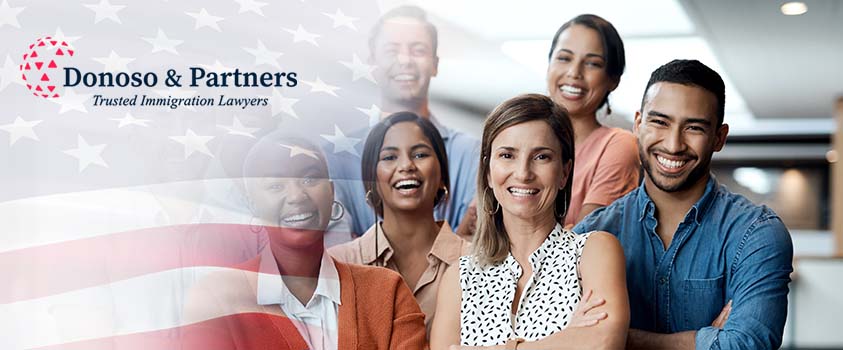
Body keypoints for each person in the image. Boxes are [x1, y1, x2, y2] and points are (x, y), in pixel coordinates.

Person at [574, 59, 794, 349]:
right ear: (639, 124)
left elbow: (748, 344)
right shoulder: (591, 233)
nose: (674, 144)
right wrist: (705, 340)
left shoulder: (756, 233)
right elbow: (561, 336)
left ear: (719, 137)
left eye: (694, 128)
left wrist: (615, 337)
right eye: (660, 122)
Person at [183, 133, 427, 350]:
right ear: (252, 204)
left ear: (331, 192)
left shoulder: (387, 291)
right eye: (276, 185)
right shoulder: (216, 297)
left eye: (310, 179)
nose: (297, 196)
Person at [430, 94, 628, 350]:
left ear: (564, 173)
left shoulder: (594, 252)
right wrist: (567, 340)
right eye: (507, 155)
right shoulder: (460, 276)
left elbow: (604, 343)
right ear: (488, 172)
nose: (523, 173)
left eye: (541, 157)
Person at [328, 5, 480, 240]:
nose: (405, 60)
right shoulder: (335, 158)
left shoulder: (470, 152)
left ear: (435, 64)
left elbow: (474, 245)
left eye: (418, 50)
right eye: (392, 50)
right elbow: (341, 256)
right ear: (372, 63)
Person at [329, 112, 470, 333]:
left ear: (442, 173)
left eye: (420, 154)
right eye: (389, 157)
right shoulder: (337, 264)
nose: (406, 165)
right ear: (371, 179)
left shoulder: (478, 263)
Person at [546, 14, 640, 226]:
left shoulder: (618, 145)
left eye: (592, 63)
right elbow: (475, 231)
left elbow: (582, 240)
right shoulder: (516, 136)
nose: (574, 72)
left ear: (613, 80)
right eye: (564, 58)